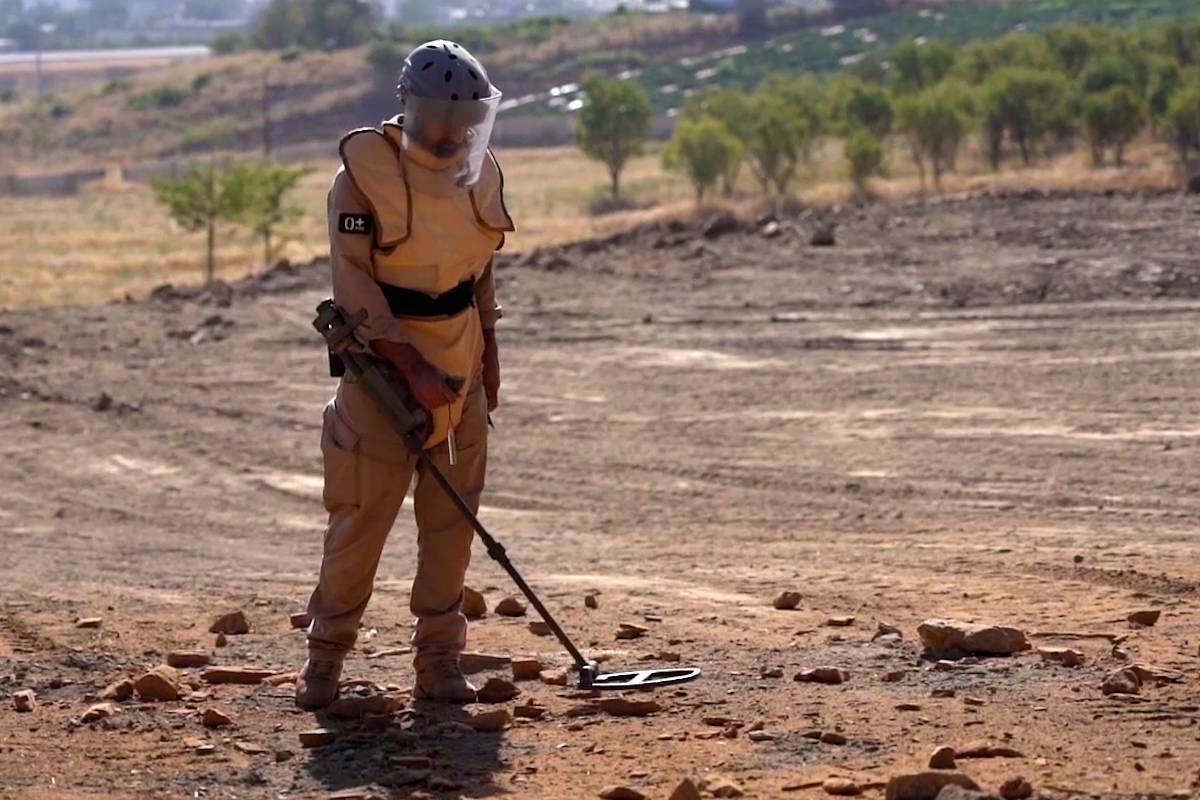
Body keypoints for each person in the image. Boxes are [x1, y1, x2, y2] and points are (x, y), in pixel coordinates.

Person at [296, 40, 513, 709]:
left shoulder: (477, 173)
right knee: (361, 520)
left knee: (452, 524)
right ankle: (325, 661)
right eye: (440, 120)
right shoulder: (363, 177)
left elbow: (478, 268)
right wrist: (411, 366)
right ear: (411, 109)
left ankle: (439, 661)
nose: (452, 134)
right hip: (383, 378)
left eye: (465, 121)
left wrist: (489, 350)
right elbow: (355, 286)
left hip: (459, 367)